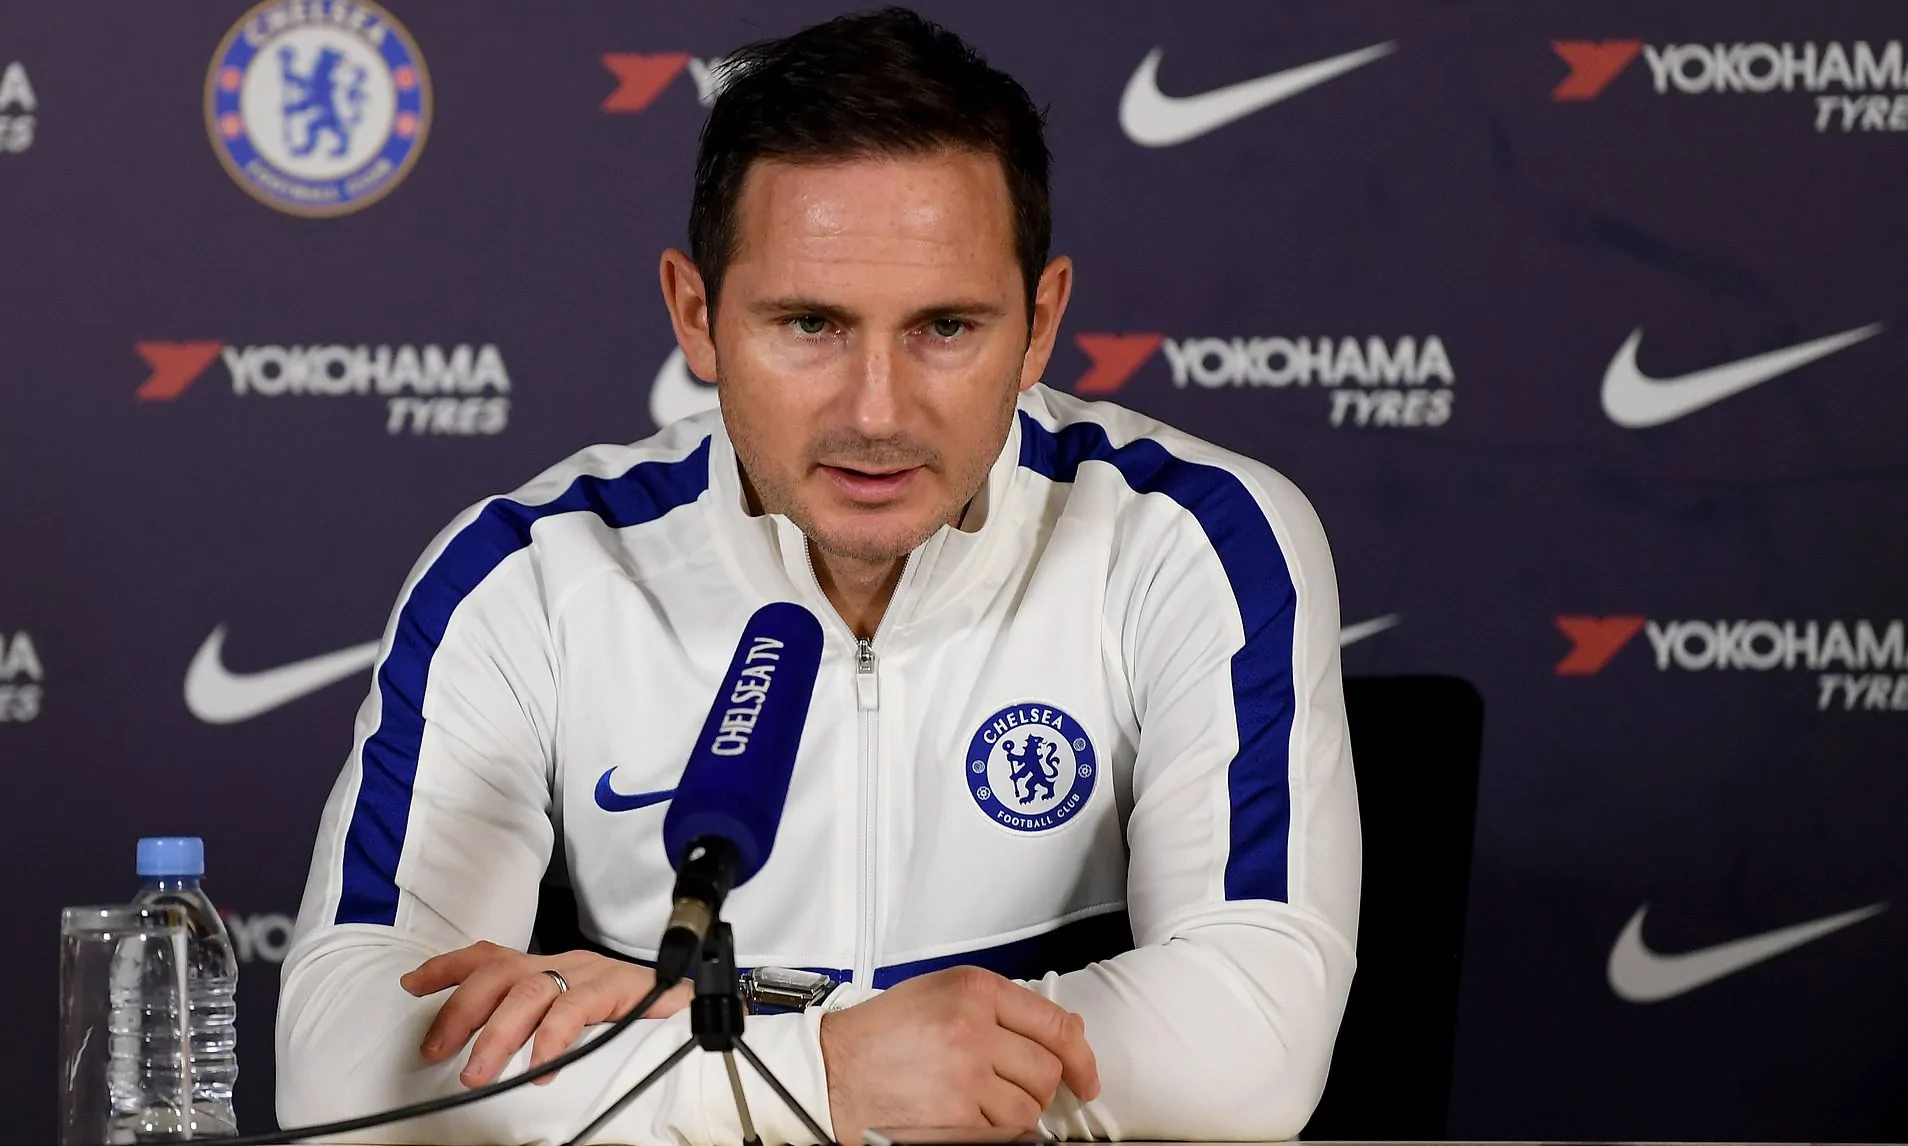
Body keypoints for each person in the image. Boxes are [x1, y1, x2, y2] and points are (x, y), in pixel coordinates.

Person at [275, 7, 1359, 1143]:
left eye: (946, 327)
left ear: (1040, 325)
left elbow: (1250, 1048)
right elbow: (344, 1077)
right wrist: (826, 1073)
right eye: (809, 323)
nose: (876, 412)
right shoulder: (530, 576)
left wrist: (681, 1051)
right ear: (697, 315)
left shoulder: (1195, 539)